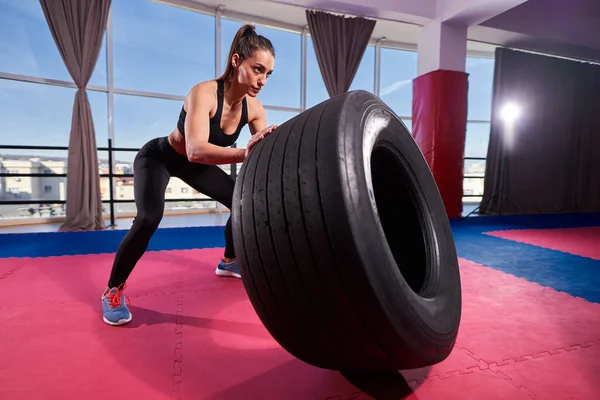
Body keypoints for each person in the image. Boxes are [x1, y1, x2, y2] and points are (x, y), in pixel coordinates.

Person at [101, 24, 277, 326]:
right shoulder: (204, 93)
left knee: (243, 199)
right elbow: (196, 150)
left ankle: (229, 260)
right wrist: (244, 152)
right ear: (236, 62)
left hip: (196, 165)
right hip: (160, 157)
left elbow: (260, 152)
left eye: (268, 74)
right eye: (257, 69)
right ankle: (112, 291)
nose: (262, 81)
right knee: (148, 218)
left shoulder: (255, 109)